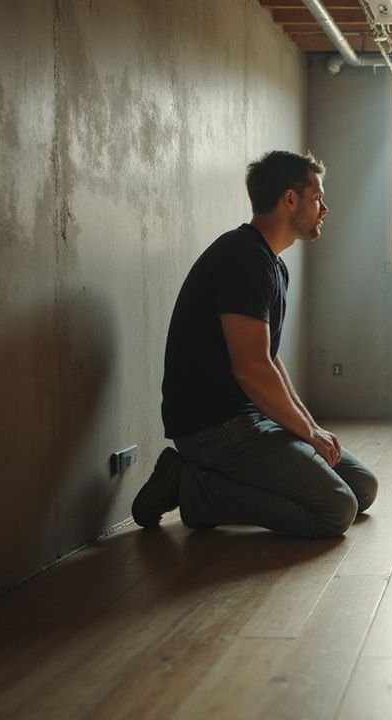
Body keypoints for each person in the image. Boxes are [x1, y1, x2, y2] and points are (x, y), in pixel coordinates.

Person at [131, 150, 377, 538]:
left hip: (250, 419)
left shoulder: (271, 263)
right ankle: (189, 486)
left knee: (362, 488)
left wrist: (309, 426)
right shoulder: (242, 258)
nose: (324, 208)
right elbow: (251, 368)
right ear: (290, 199)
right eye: (317, 197)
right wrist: (308, 435)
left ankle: (215, 486)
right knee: (336, 509)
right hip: (214, 429)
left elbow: (268, 359)